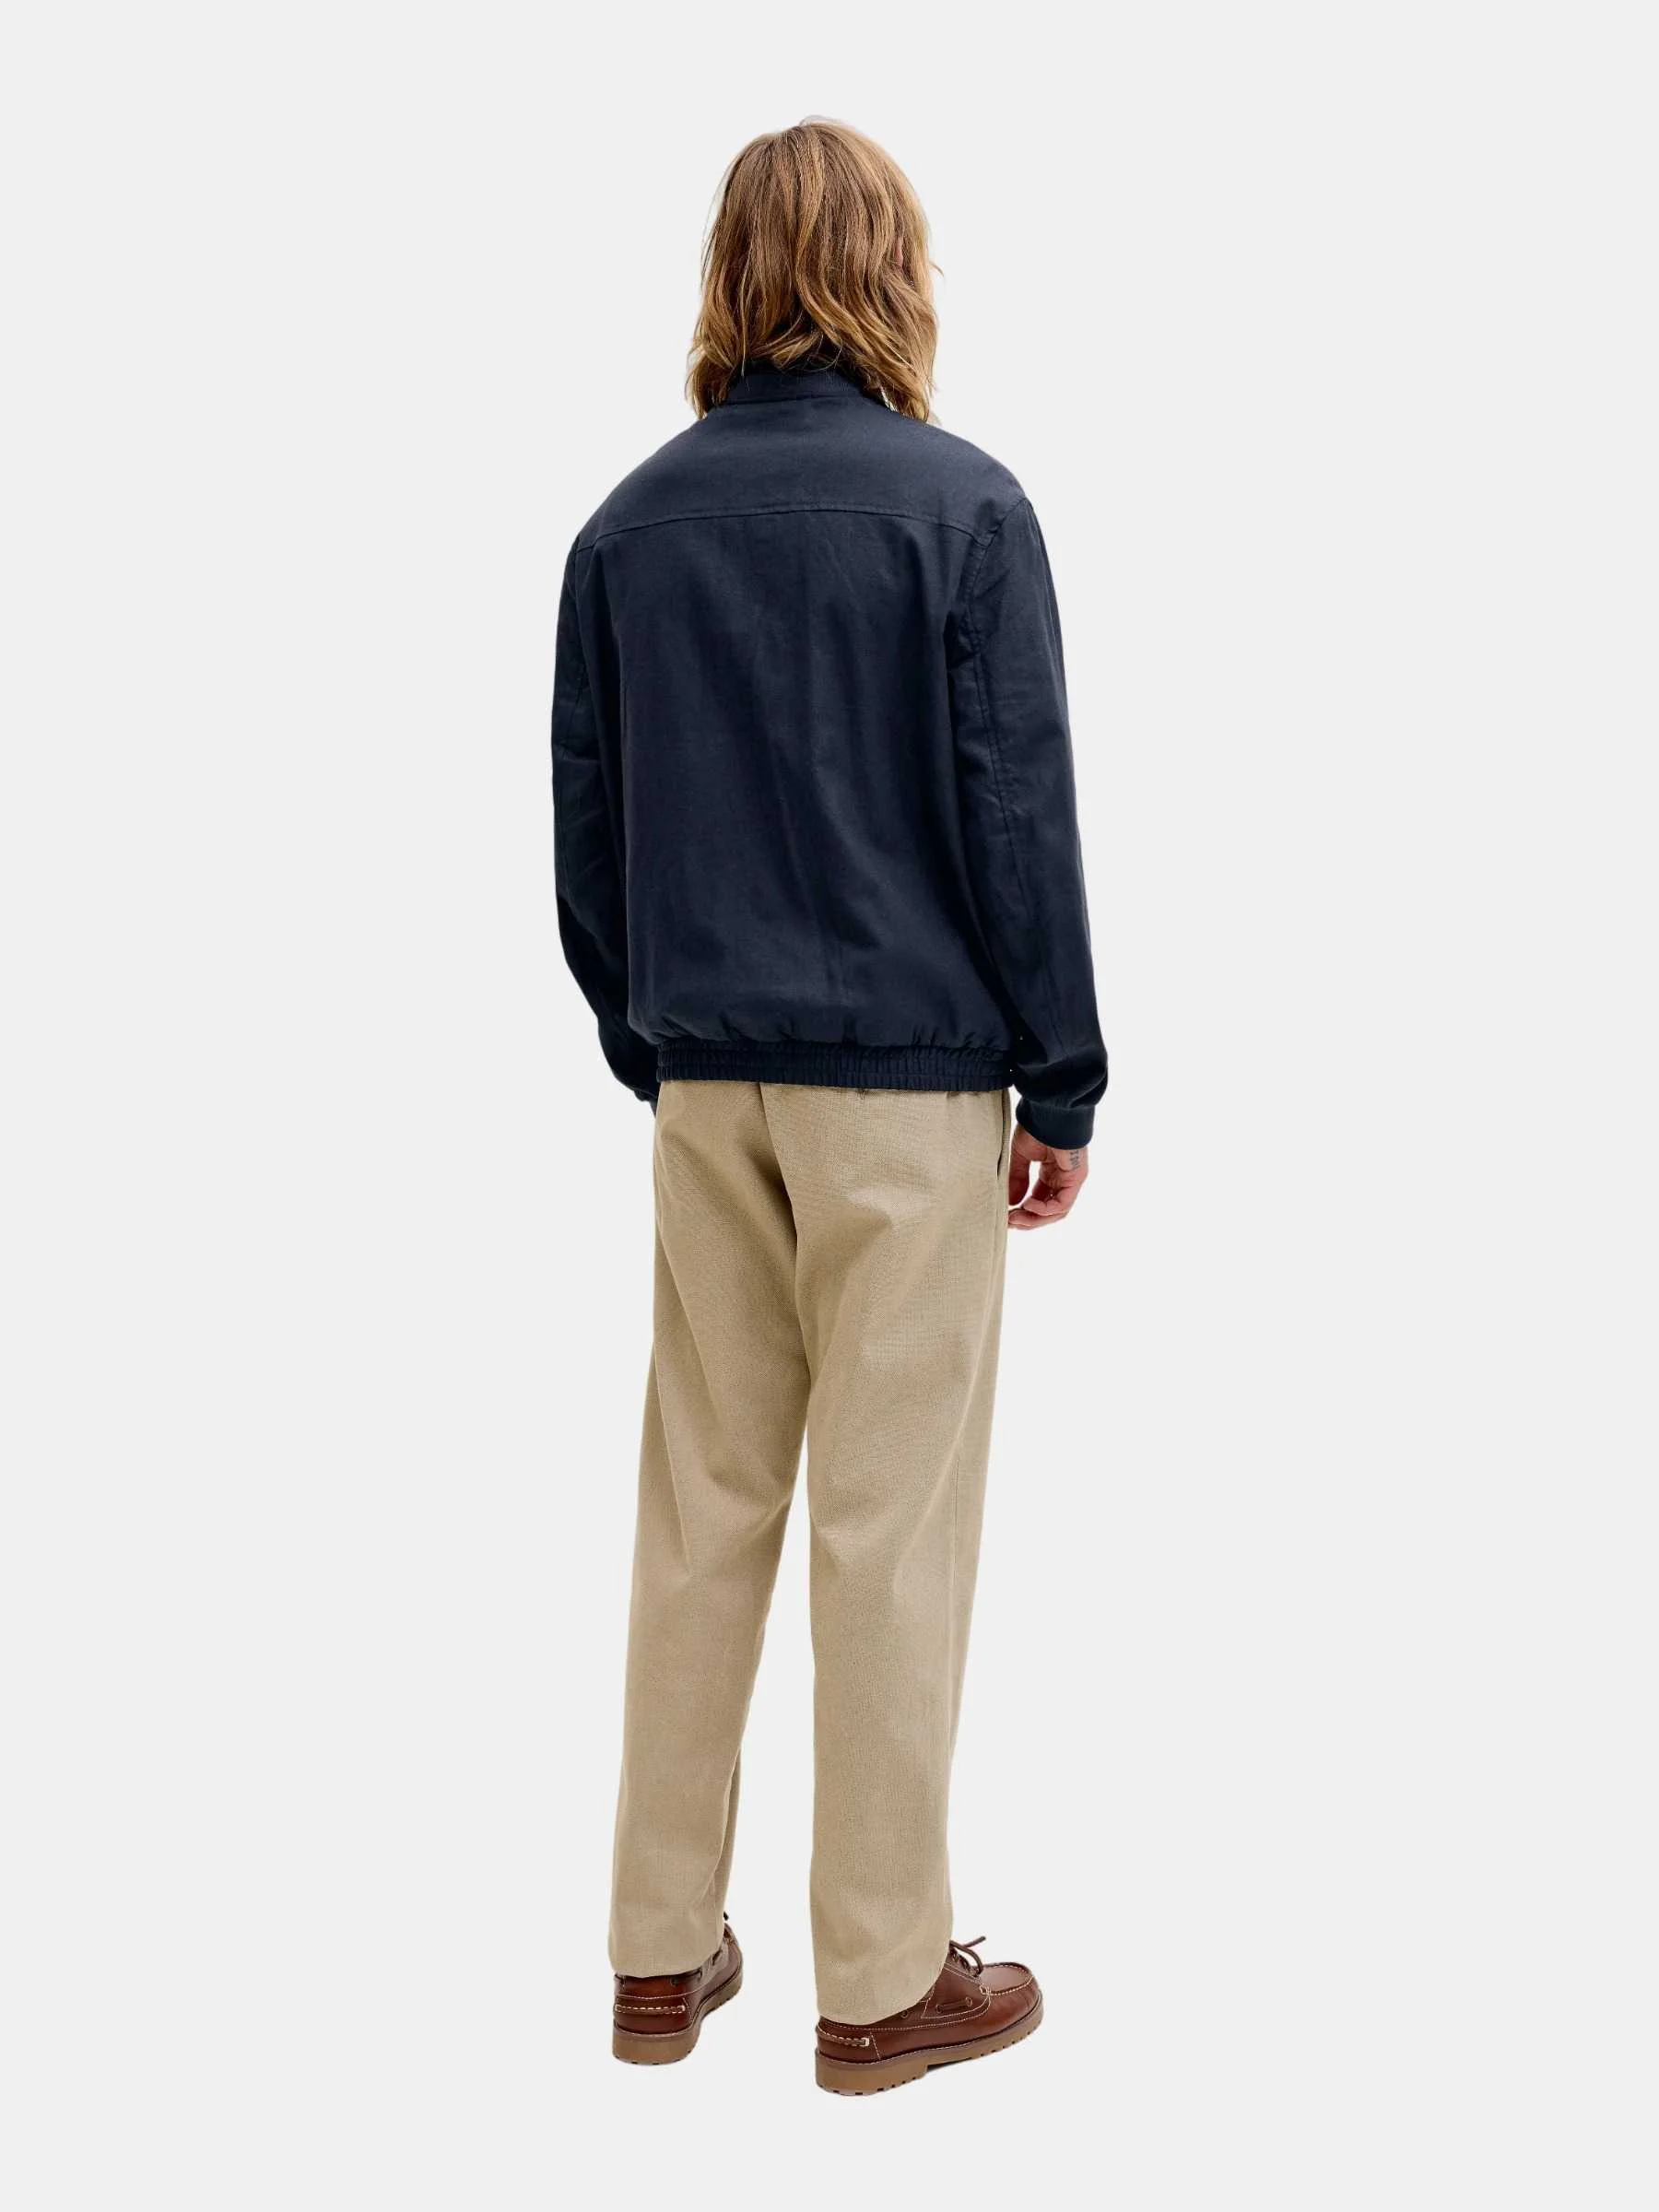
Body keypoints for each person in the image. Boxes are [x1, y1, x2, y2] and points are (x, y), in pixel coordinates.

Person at [551, 119, 1106, 2094]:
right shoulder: (965, 511)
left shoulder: (627, 528)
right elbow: (1016, 816)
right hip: (912, 1094)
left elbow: (589, 833)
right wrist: (1063, 1077)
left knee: (700, 1509)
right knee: (890, 1526)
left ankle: (654, 1956)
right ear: (891, 268)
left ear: (731, 271)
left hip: (708, 1089)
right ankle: (878, 1985)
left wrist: (658, 1048)